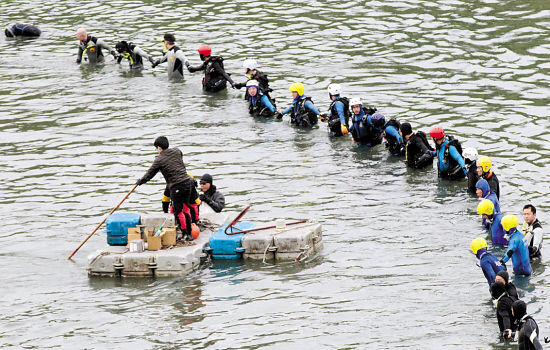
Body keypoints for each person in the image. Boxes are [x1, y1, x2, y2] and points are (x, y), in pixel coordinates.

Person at [136, 136, 195, 241]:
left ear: (159, 148)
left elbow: (149, 174)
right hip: (188, 182)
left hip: (177, 185)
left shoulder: (159, 160)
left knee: (178, 211)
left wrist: (140, 181)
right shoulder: (177, 151)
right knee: (186, 208)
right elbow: (179, 158)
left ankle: (185, 233)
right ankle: (189, 232)